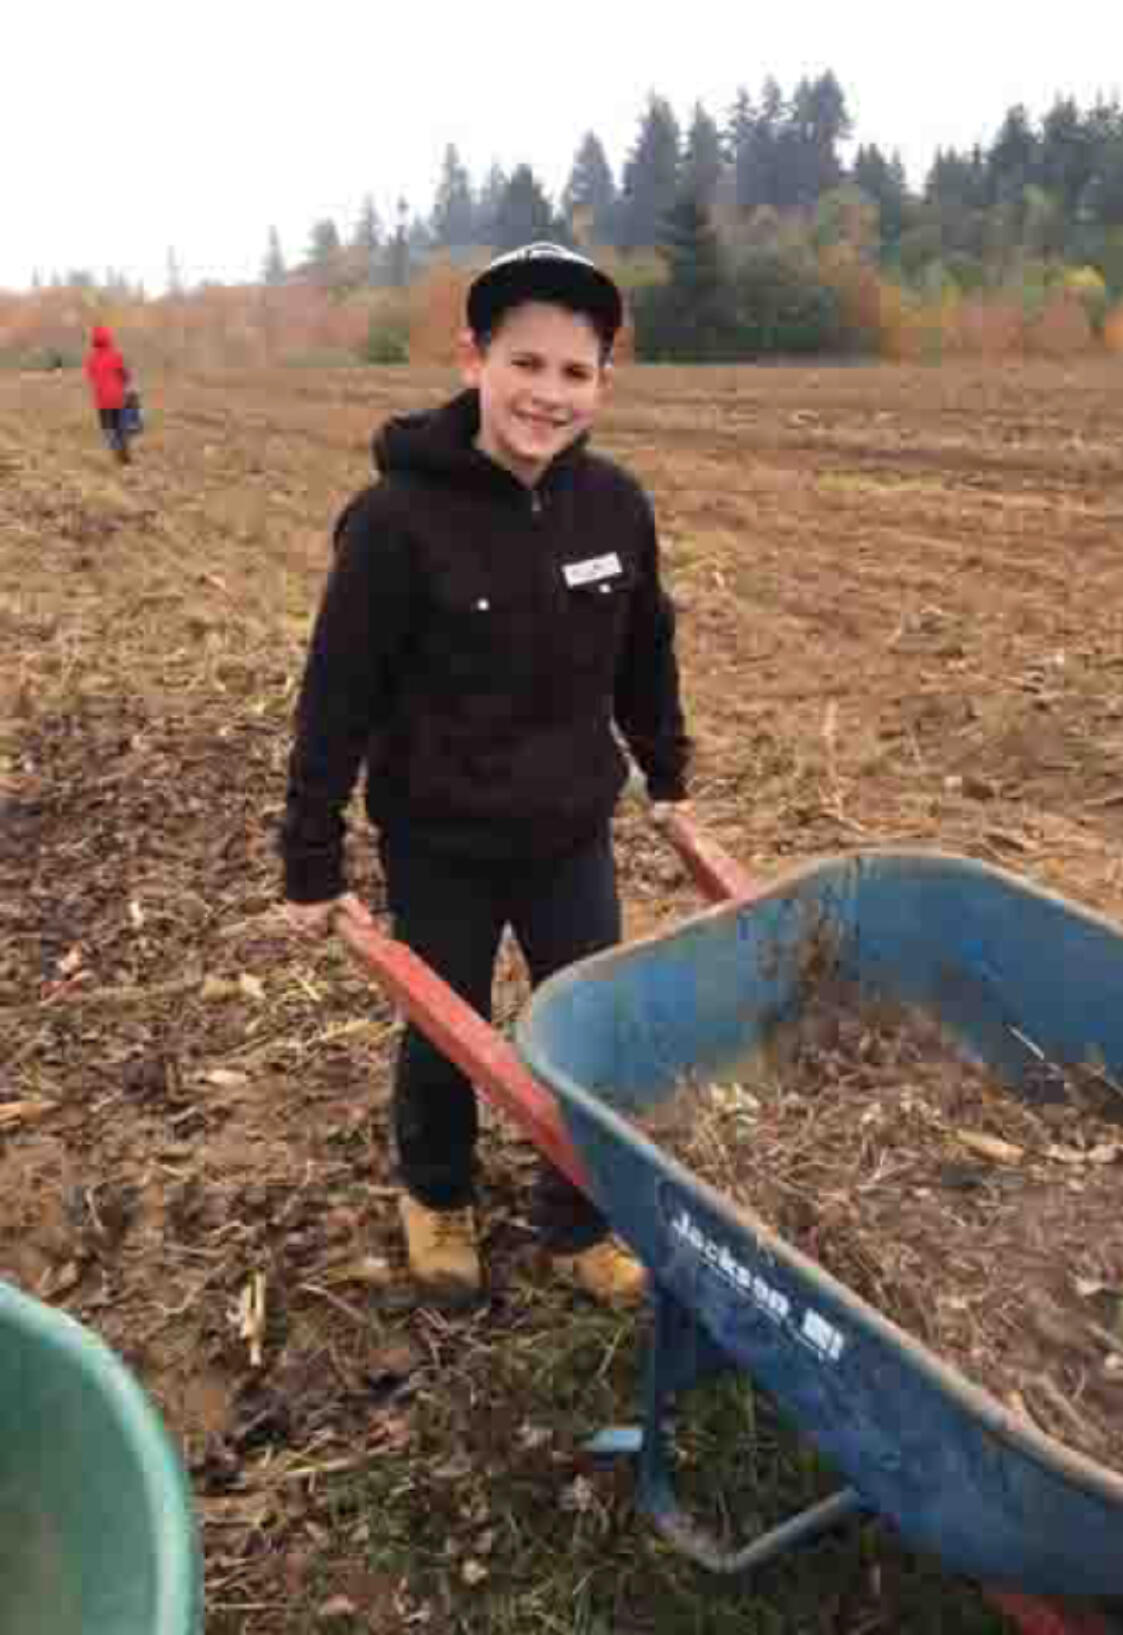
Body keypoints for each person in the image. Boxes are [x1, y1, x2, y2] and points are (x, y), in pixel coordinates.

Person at [279, 243, 692, 1307]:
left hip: (568, 833)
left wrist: (667, 775)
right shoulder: (393, 524)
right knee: (447, 1029)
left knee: (583, 1030)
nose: (548, 395)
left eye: (574, 372)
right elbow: (337, 698)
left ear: (602, 382)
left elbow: (645, 652)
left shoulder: (615, 508)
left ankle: (579, 1217)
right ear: (473, 359)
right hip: (441, 839)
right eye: (527, 363)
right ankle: (437, 1192)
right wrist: (309, 860)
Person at [84, 325, 133, 464]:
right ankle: (125, 455)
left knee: (108, 428)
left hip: (102, 401)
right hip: (118, 398)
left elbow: (91, 377)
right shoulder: (116, 356)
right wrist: (124, 382)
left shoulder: (91, 360)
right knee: (121, 427)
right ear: (109, 339)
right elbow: (125, 375)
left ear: (94, 342)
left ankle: (116, 450)